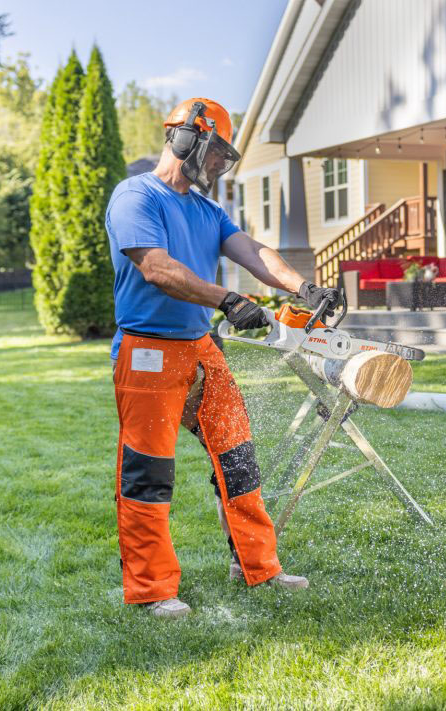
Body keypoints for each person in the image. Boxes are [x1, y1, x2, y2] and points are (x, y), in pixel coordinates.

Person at [105, 97, 341, 618]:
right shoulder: (135, 197)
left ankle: (256, 564)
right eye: (214, 153)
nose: (217, 165)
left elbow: (253, 253)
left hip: (199, 347)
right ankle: (152, 590)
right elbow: (157, 268)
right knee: (148, 470)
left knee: (237, 458)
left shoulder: (208, 210)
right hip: (146, 351)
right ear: (185, 138)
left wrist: (304, 288)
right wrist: (227, 300)